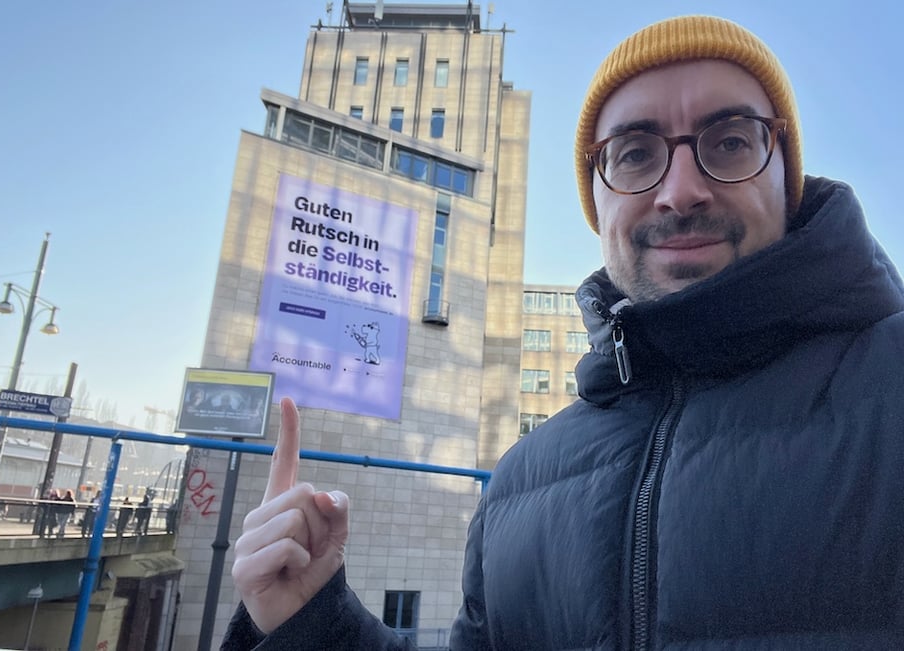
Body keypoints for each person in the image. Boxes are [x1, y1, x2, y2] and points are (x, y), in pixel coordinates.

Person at [223, 15, 904, 650]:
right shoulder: (520, 480)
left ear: (786, 171)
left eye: (729, 142)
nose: (680, 190)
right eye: (636, 154)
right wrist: (310, 620)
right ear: (598, 200)